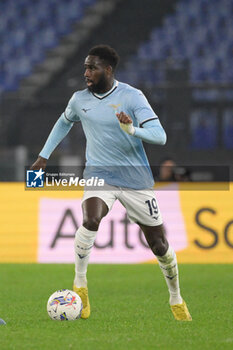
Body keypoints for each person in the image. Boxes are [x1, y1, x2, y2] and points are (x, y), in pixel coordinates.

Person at [31, 45, 192, 321]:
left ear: (108, 69)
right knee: (90, 220)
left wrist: (132, 130)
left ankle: (176, 297)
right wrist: (43, 157)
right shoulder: (79, 99)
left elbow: (160, 135)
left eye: (92, 67)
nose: (86, 73)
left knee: (160, 246)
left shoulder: (132, 96)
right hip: (99, 174)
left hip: (135, 179)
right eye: (84, 67)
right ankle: (80, 284)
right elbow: (63, 123)